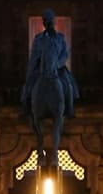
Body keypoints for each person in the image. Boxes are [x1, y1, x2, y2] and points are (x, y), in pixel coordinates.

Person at [21, 10, 77, 159]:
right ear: (44, 23)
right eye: (46, 21)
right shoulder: (38, 39)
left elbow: (65, 53)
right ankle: (26, 106)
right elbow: (34, 55)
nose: (49, 23)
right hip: (41, 69)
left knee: (69, 85)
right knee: (28, 86)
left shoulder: (60, 38)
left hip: (57, 69)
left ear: (54, 22)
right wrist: (31, 70)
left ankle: (69, 107)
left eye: (50, 21)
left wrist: (58, 64)